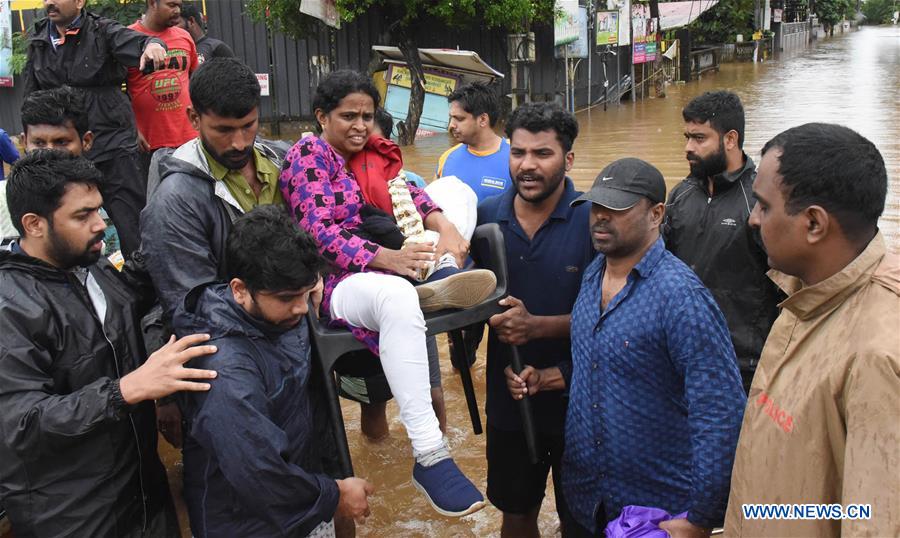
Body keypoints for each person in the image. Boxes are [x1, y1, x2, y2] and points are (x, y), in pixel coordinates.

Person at [279, 69, 493, 517]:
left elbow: (412, 196)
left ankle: (440, 276)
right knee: (394, 299)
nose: (359, 125)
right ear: (321, 116)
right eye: (348, 116)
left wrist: (445, 225)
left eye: (366, 116)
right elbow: (315, 232)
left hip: (390, 270)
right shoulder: (309, 154)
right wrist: (386, 259)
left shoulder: (370, 155)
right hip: (335, 283)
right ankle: (431, 456)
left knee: (453, 196)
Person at [0, 150, 217, 537]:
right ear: (34, 224)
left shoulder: (90, 266)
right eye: (83, 216)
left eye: (99, 210)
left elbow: (132, 293)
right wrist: (125, 391)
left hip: (143, 495)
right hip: (72, 516)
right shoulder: (10, 307)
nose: (101, 224)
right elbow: (20, 426)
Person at [724, 123, 900, 537]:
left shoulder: (877, 356)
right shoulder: (806, 291)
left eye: (764, 206)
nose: (752, 219)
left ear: (815, 224)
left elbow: (871, 522)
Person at [563, 158, 746, 537]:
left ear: (656, 214)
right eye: (596, 207)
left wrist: (702, 517)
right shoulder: (592, 273)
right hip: (586, 499)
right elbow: (597, 365)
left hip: (658, 512)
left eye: (616, 209)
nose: (600, 218)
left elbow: (719, 413)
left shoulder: (682, 298)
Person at [177, 205, 374, 537]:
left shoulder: (282, 312)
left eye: (306, 291)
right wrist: (334, 495)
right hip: (250, 523)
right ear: (239, 290)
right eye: (287, 298)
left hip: (303, 498)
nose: (301, 307)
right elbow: (258, 472)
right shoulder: (223, 368)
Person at [479, 102, 594, 537]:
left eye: (542, 154)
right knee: (517, 511)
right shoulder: (487, 215)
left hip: (580, 399)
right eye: (518, 152)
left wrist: (537, 326)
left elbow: (612, 319)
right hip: (509, 399)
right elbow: (470, 300)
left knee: (580, 518)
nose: (526, 165)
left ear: (568, 159)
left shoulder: (592, 218)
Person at [22, 0, 169, 258]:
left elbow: (140, 42)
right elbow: (30, 98)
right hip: (63, 154)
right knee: (67, 225)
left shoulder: (102, 30)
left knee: (133, 226)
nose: (49, 2)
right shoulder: (38, 40)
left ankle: (145, 284)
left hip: (112, 146)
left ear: (80, 2)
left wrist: (153, 46)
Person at [663, 91, 780, 393]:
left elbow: (787, 288)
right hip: (681, 357)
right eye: (687, 137)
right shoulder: (681, 195)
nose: (688, 147)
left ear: (730, 139)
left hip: (742, 366)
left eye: (699, 138)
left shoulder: (759, 199)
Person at [0, 86, 122, 255]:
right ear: (24, 141)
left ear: (86, 141)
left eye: (61, 142)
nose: (50, 152)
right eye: (39, 143)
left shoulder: (107, 191)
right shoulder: (4, 200)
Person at [127, 0, 199, 156]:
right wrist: (132, 128)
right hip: (148, 142)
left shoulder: (185, 37)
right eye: (172, 5)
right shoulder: (128, 39)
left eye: (179, 6)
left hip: (189, 138)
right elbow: (117, 93)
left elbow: (198, 82)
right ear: (153, 3)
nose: (177, 10)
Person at [435, 81, 512, 201]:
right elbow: (431, 208)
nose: (451, 126)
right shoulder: (446, 158)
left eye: (459, 119)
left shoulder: (516, 157)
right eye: (451, 118)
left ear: (482, 119)